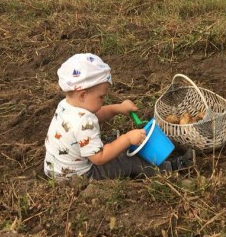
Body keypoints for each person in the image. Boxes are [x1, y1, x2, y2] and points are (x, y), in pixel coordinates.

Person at [43, 53, 193, 180]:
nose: (103, 100)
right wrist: (127, 139)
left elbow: (96, 115)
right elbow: (99, 158)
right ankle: (172, 167)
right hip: (79, 176)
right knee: (127, 160)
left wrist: (118, 108)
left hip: (54, 168)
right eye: (101, 97)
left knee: (114, 146)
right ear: (82, 95)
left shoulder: (67, 104)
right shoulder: (83, 121)